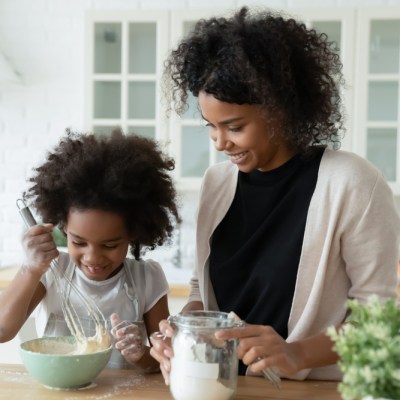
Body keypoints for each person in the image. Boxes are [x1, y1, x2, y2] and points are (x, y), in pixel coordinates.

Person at [150, 6, 400, 384]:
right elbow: (204, 293)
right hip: (220, 387)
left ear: (279, 111)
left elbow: (378, 317)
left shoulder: (353, 183)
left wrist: (295, 353)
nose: (219, 143)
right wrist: (185, 332)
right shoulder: (216, 184)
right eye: (210, 127)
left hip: (313, 392)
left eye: (234, 126)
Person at [0, 129, 180, 370]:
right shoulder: (52, 271)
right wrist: (30, 269)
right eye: (79, 242)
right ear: (63, 228)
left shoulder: (147, 279)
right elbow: (2, 331)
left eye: (110, 245)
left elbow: (165, 358)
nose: (93, 257)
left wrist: (141, 355)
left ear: (134, 233)